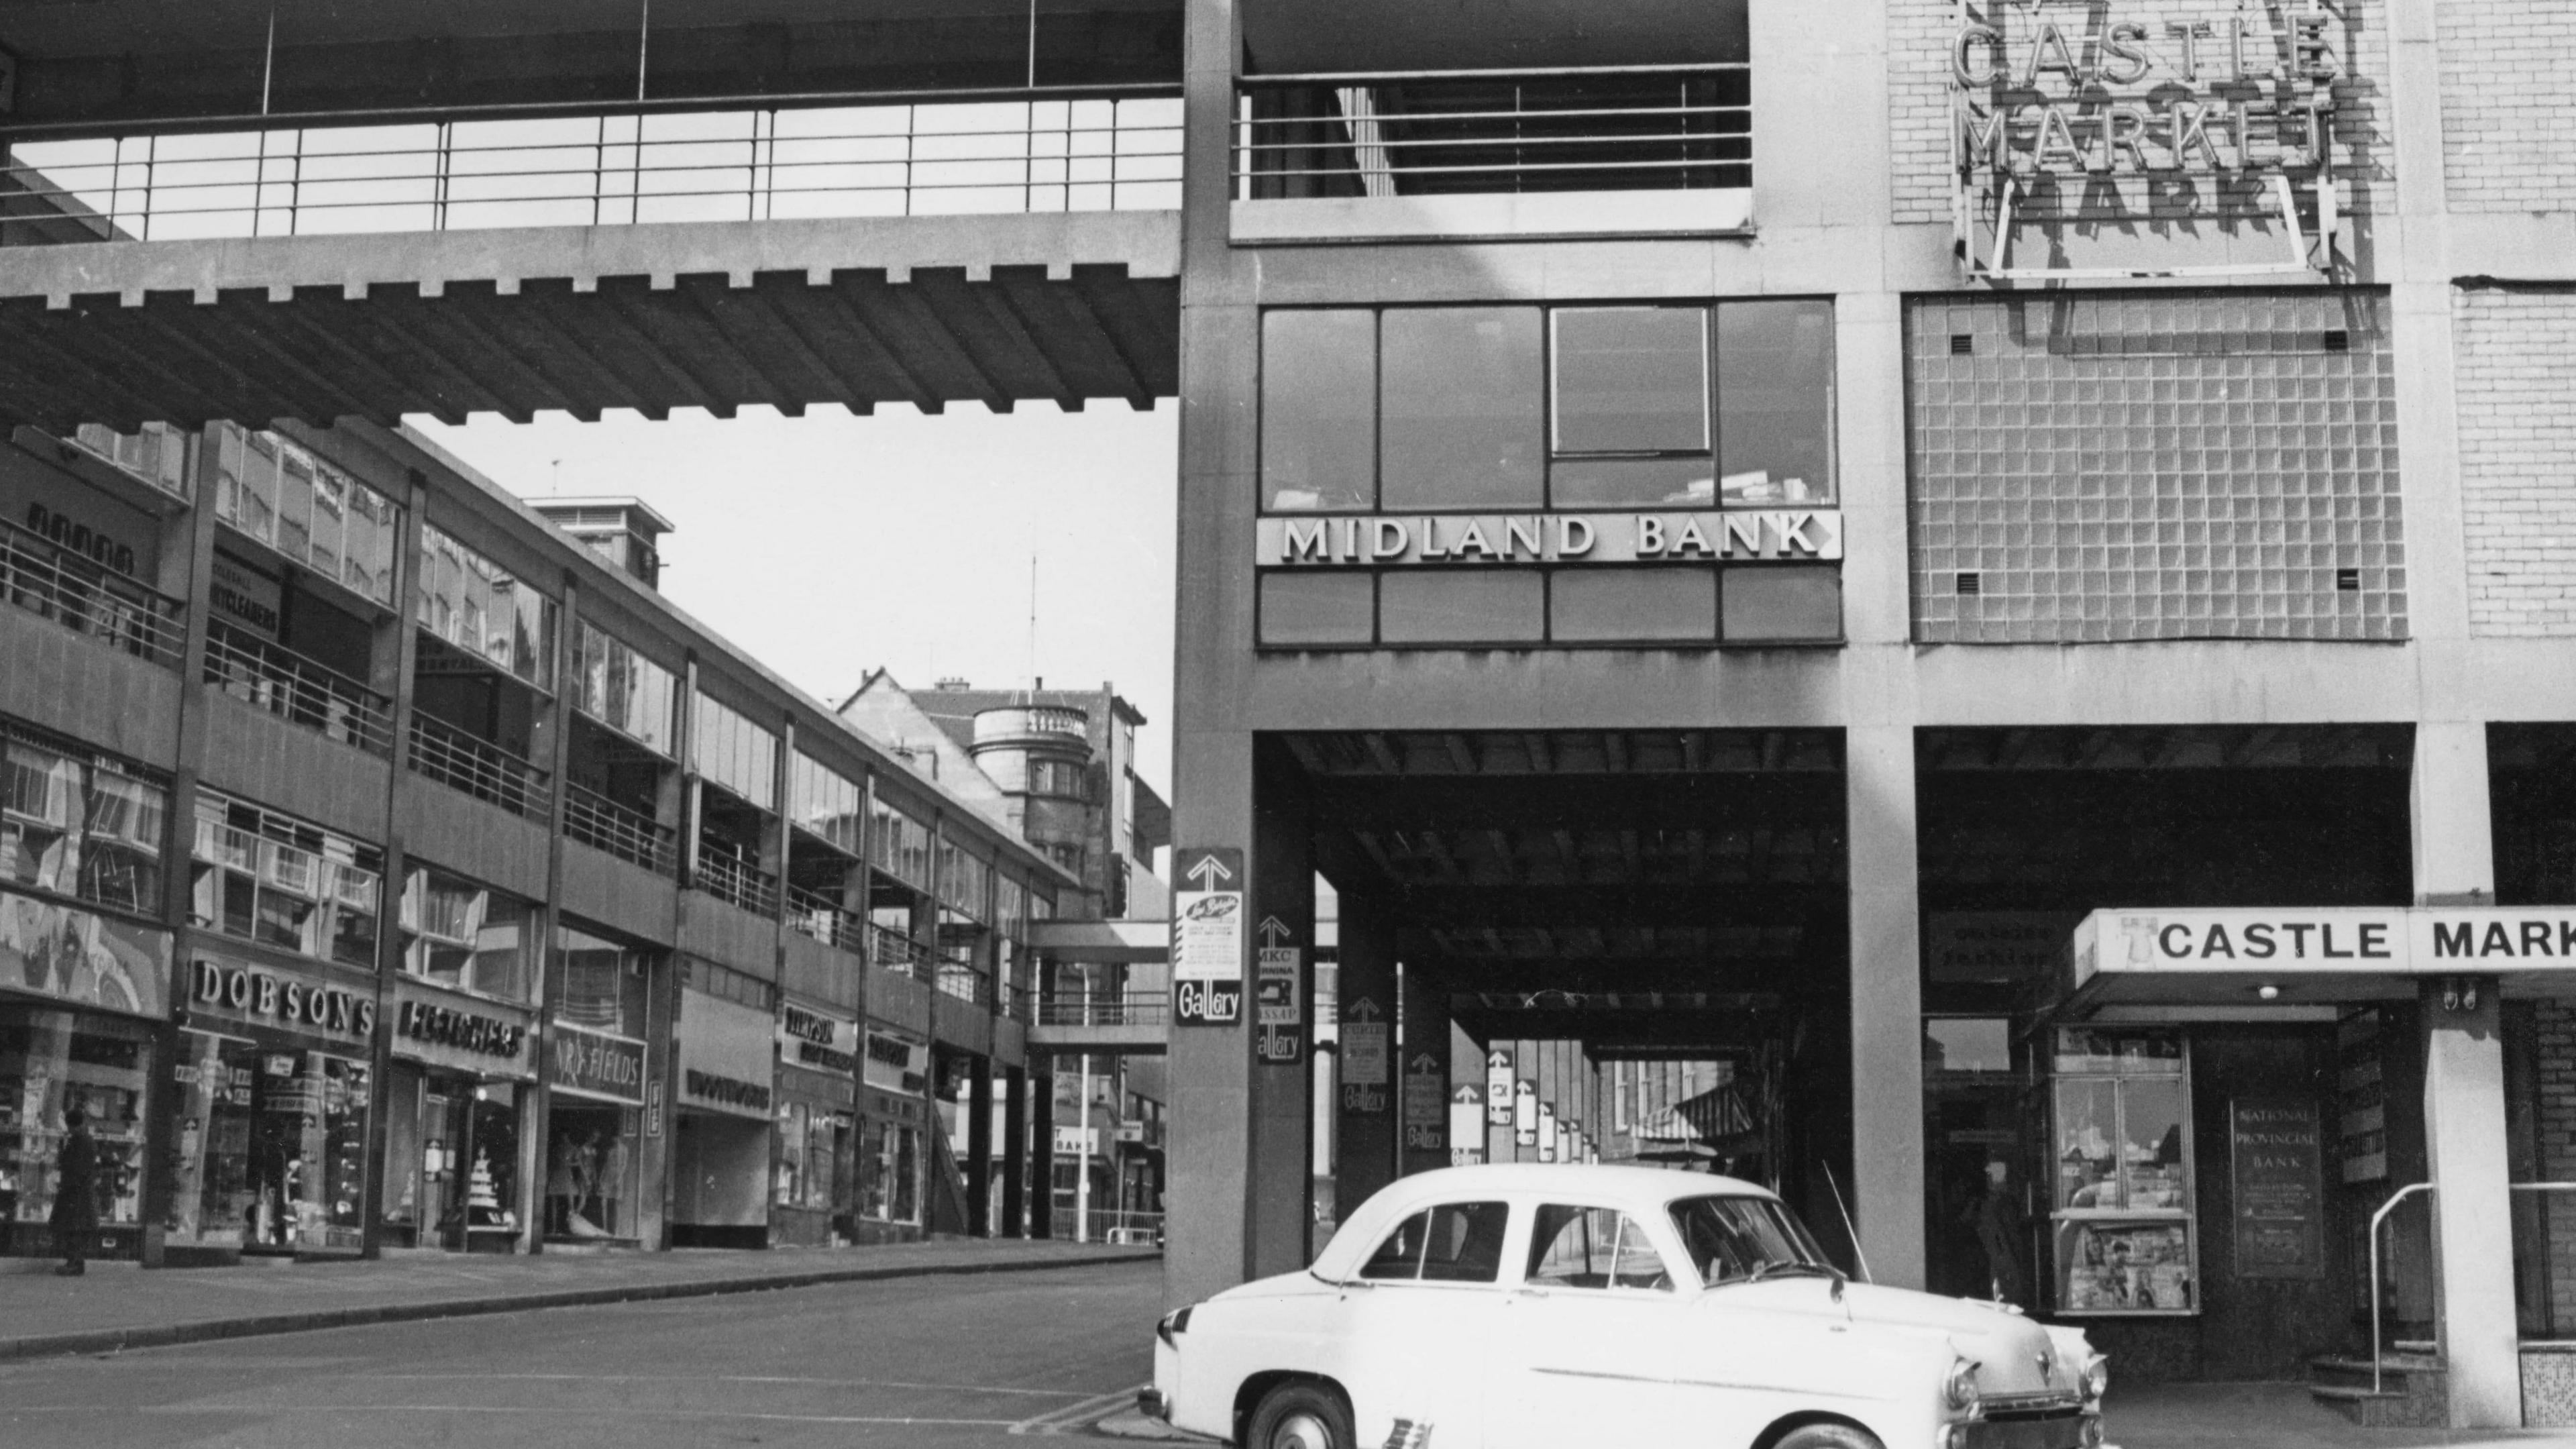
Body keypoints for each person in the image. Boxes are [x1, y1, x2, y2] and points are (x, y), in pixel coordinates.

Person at [50, 1106, 99, 1276]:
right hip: (80, 1191)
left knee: (73, 1228)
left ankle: (74, 1264)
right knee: (76, 1229)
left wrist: (65, 1184)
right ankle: (76, 1263)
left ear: (71, 1124)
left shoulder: (79, 1141)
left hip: (75, 1193)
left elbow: (75, 1167)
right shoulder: (84, 1140)